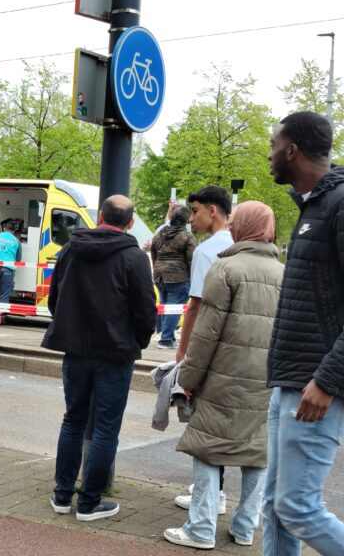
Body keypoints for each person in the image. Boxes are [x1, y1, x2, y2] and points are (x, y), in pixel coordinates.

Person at [162, 201, 284, 550]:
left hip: (223, 377)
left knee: (208, 448)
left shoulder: (225, 268)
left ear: (240, 226)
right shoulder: (284, 273)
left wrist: (188, 379)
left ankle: (200, 528)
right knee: (257, 453)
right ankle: (245, 528)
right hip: (267, 380)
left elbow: (206, 332)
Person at [43, 195, 156, 522]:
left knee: (73, 420)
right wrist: (139, 341)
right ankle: (89, 502)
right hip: (116, 354)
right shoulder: (134, 258)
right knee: (106, 428)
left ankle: (62, 495)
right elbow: (145, 311)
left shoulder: (69, 250)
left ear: (99, 216)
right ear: (130, 222)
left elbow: (55, 300)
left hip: (75, 351)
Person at [262, 111, 344, 556]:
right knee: (275, 506)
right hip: (292, 381)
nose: (269, 154)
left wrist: (327, 380)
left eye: (274, 144)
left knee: (297, 507)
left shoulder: (340, 204)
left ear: (292, 150)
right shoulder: (314, 205)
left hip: (316, 386)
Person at [172, 185, 233, 513]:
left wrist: (182, 353)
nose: (191, 218)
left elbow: (194, 306)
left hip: (208, 346)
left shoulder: (208, 251)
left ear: (213, 210)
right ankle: (219, 494)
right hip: (235, 347)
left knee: (204, 421)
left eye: (195, 211)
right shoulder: (239, 244)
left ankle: (211, 495)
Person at [150, 205, 196, 349]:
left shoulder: (160, 233)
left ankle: (164, 335)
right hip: (178, 276)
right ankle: (166, 339)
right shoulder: (187, 236)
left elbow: (153, 250)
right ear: (186, 220)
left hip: (159, 275)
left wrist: (157, 265)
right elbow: (191, 259)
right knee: (174, 308)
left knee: (165, 306)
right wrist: (192, 276)